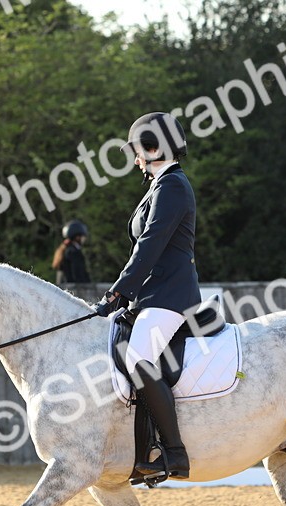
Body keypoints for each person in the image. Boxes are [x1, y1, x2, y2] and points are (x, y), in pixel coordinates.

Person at [92, 111, 200, 481]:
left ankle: (173, 454)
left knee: (139, 358)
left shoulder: (172, 186)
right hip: (152, 296)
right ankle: (142, 449)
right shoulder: (158, 186)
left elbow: (150, 246)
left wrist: (119, 291)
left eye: (138, 151)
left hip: (170, 296)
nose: (136, 159)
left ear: (154, 148)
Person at [53, 220, 91, 285]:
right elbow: (78, 274)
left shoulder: (65, 250)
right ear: (77, 237)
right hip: (74, 290)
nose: (84, 239)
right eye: (82, 236)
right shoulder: (73, 252)